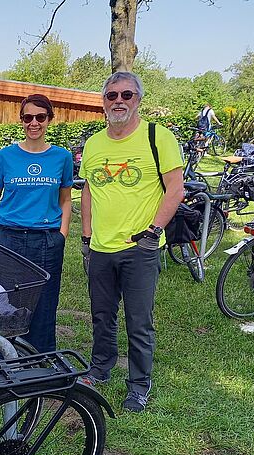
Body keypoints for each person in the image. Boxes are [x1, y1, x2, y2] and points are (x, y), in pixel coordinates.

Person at [78, 71, 184, 413]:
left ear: (138, 99)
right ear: (103, 102)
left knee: (139, 322)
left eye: (127, 95)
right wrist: (86, 236)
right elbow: (89, 190)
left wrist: (153, 232)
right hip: (100, 247)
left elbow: (175, 190)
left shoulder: (158, 136)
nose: (119, 101)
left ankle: (138, 385)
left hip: (140, 248)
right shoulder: (94, 144)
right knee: (101, 315)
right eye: (112, 96)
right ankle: (100, 367)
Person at [0, 94, 74, 353]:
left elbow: (65, 199)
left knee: (44, 301)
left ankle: (40, 357)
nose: (34, 123)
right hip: (8, 238)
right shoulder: (5, 156)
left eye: (40, 117)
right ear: (21, 120)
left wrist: (62, 234)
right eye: (28, 117)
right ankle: (0, 356)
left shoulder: (62, 157)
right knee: (3, 299)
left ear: (49, 119)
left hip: (46, 240)